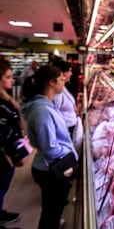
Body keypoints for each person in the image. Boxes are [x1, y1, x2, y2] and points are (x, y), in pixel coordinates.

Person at [21, 65, 78, 229]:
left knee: (52, 209)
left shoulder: (47, 104)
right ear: (51, 83)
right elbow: (49, 148)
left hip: (48, 166)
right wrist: (69, 153)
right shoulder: (42, 111)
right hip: (50, 169)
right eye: (61, 79)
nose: (64, 82)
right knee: (51, 212)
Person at [0, 60, 29, 228]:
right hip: (4, 157)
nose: (12, 80)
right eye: (8, 77)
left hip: (9, 155)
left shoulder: (5, 100)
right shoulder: (1, 105)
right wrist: (9, 156)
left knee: (2, 188)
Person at [51, 60, 78, 136]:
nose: (71, 74)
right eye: (69, 71)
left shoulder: (63, 88)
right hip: (64, 130)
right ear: (61, 73)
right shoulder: (57, 93)